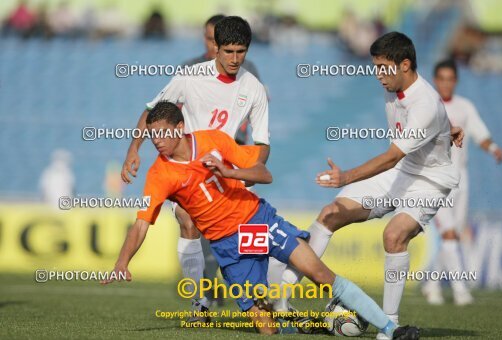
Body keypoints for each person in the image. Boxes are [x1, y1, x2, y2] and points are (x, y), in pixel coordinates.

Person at [104, 101, 419, 339]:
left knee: (321, 274)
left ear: (179, 128)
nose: (156, 141)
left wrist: (231, 172)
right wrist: (122, 262)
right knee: (266, 327)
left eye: (161, 133)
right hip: (228, 246)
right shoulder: (159, 175)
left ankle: (391, 329)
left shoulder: (214, 140)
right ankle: (315, 325)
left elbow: (264, 173)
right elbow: (141, 223)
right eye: (152, 135)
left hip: (257, 220)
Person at [274, 32, 464, 340]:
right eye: (375, 67)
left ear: (405, 65)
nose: (378, 75)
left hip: (429, 181)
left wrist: (346, 177)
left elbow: (391, 156)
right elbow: (418, 133)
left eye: (383, 68)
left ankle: (389, 326)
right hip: (403, 169)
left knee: (394, 234)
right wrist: (447, 129)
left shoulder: (425, 104)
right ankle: (279, 299)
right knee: (330, 213)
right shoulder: (396, 86)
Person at [120, 16, 270, 317]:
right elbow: (152, 111)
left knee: (249, 238)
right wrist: (134, 148)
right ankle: (199, 301)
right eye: (228, 50)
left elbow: (262, 142)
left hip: (226, 169)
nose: (234, 58)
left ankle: (267, 298)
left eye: (240, 52)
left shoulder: (253, 87)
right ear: (215, 47)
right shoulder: (189, 76)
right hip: (188, 167)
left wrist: (251, 171)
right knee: (187, 221)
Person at [421, 59, 502, 306]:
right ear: (436, 80)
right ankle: (460, 291)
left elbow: (480, 132)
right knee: (447, 233)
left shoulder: (465, 106)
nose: (446, 83)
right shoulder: (427, 108)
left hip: (462, 179)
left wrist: (494, 148)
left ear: (455, 81)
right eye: (442, 79)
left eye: (450, 79)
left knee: (453, 237)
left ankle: (432, 283)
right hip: (437, 182)